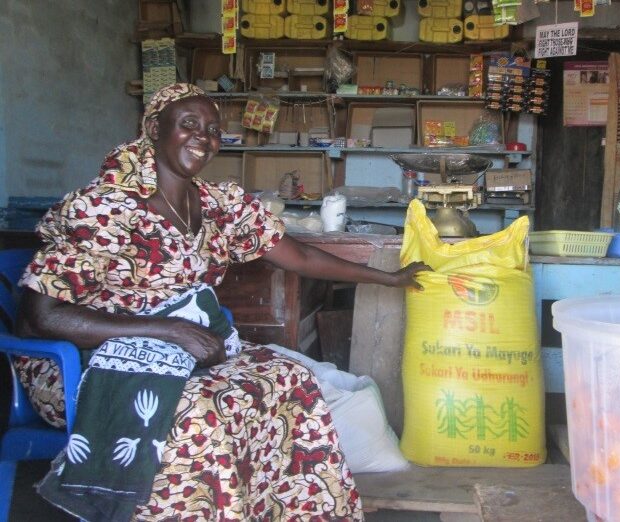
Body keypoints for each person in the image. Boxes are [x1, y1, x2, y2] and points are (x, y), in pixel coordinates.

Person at [15, 83, 429, 521]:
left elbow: (300, 256)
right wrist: (166, 330)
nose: (203, 138)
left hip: (180, 349)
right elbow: (40, 317)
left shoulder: (218, 205)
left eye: (213, 129)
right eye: (188, 125)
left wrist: (388, 278)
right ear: (155, 128)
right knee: (198, 408)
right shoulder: (104, 207)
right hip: (83, 361)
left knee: (289, 379)